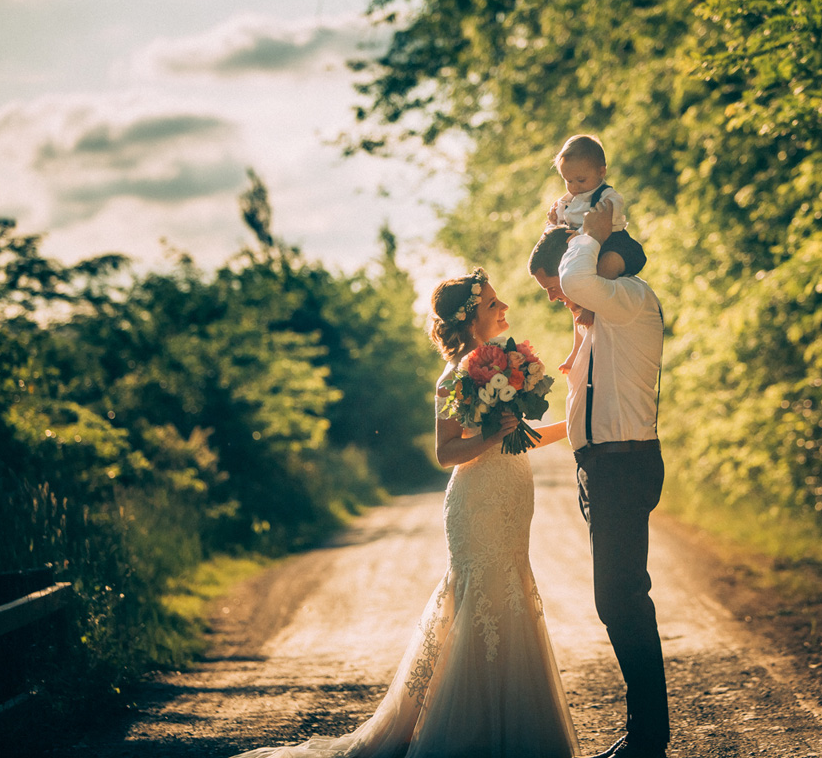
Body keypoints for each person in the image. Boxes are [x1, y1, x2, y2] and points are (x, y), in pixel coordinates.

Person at [234, 268, 577, 758]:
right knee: (478, 597)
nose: (503, 309)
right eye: (492, 305)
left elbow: (520, 435)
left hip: (513, 494)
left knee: (512, 591)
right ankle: (465, 733)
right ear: (469, 319)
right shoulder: (454, 377)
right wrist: (497, 434)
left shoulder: (504, 364)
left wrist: (577, 424)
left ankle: (515, 728)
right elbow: (447, 453)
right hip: (476, 501)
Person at [529, 205, 668, 758]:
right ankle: (644, 736)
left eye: (551, 287)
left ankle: (648, 741)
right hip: (601, 468)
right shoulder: (596, 318)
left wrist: (588, 236)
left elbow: (577, 279)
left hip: (624, 466)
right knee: (621, 599)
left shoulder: (629, 299)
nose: (555, 297)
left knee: (620, 599)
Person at [546, 135, 647, 375]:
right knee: (573, 291)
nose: (574, 186)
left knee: (605, 268)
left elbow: (602, 222)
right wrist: (554, 221)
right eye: (568, 180)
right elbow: (562, 225)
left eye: (581, 179)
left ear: (601, 171)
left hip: (615, 244)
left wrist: (582, 234)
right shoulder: (569, 200)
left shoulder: (607, 196)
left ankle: (592, 306)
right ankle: (578, 341)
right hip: (588, 247)